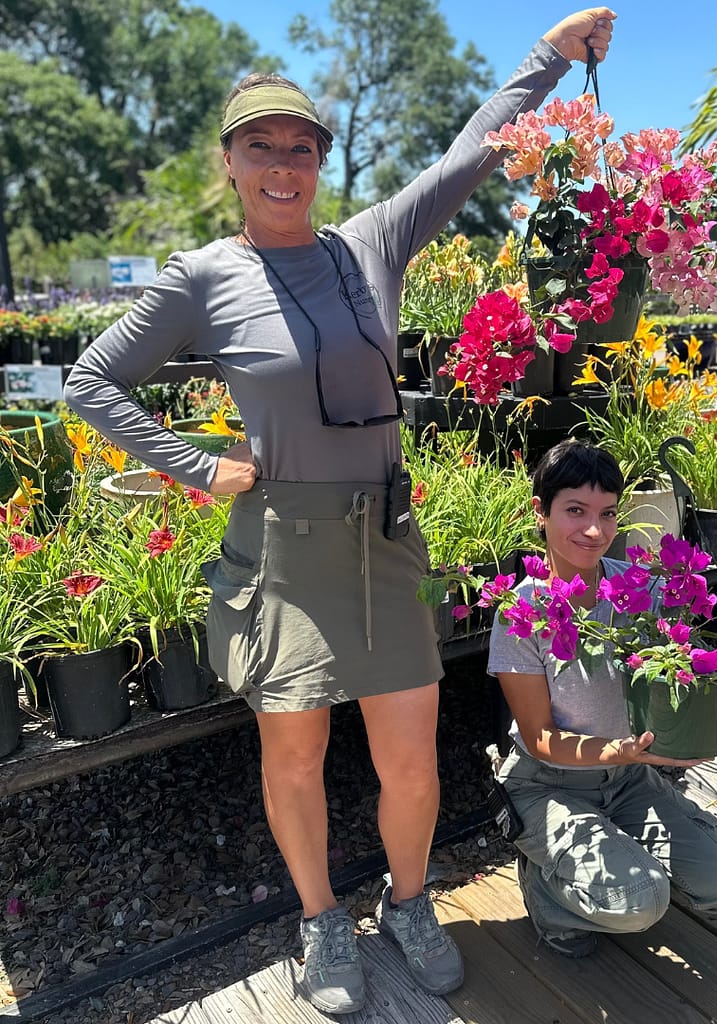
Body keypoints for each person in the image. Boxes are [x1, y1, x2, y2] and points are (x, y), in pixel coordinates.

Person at [63, 9, 616, 1015]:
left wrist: (549, 56)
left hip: (388, 542)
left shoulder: (371, 243)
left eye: (301, 148)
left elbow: (471, 154)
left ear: (321, 159)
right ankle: (321, 918)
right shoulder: (201, 277)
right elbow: (92, 381)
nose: (283, 165)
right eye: (260, 147)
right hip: (285, 554)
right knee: (296, 755)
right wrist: (197, 465)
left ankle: (409, 904)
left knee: (409, 758)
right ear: (228, 161)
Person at [487, 439, 717, 957]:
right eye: (575, 511)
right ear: (540, 512)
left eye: (608, 514)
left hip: (630, 777)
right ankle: (547, 895)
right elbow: (540, 737)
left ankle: (628, 864)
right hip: (549, 783)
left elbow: (679, 675)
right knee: (639, 902)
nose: (595, 530)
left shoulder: (640, 588)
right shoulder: (521, 613)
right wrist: (618, 750)